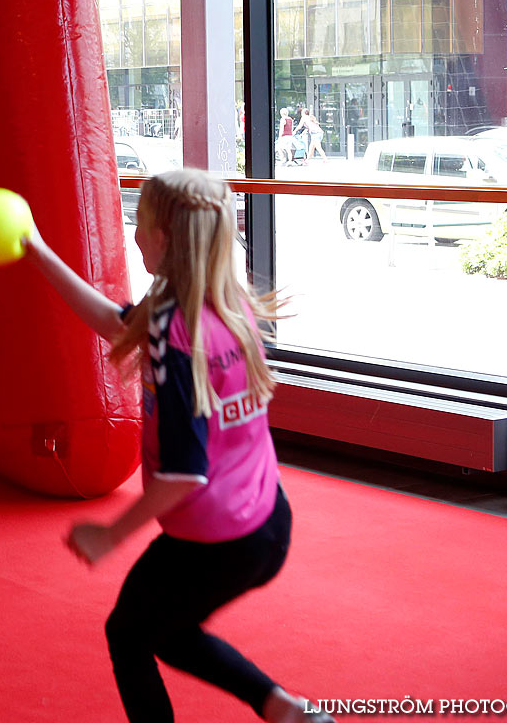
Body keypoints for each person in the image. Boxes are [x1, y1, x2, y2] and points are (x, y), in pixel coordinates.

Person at [20, 168, 333, 723]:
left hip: (215, 540)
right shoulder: (225, 304)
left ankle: (277, 704)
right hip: (267, 522)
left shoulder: (174, 330)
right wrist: (40, 253)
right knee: (163, 629)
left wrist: (108, 534)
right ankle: (281, 707)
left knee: (129, 633)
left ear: (165, 236)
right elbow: (119, 324)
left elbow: (186, 474)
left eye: (140, 223)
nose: (134, 235)